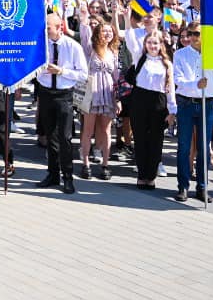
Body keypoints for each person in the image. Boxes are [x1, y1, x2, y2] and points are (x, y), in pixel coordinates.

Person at [34, 13, 89, 194]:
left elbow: (82, 74)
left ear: (60, 28)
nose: (46, 31)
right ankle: (53, 174)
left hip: (64, 94)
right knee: (50, 136)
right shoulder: (42, 45)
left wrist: (62, 71)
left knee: (65, 137)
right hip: (46, 92)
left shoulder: (72, 46)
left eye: (49, 27)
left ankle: (68, 176)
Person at [171, 26, 213, 203]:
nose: (192, 37)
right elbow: (177, 80)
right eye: (190, 34)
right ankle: (183, 186)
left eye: (196, 34)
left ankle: (202, 187)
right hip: (186, 102)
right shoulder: (180, 54)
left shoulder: (212, 53)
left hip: (205, 102)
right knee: (184, 146)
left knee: (203, 147)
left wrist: (208, 87)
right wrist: (195, 84)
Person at [127, 32, 174, 191]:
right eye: (149, 43)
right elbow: (130, 39)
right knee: (140, 138)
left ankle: (151, 176)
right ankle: (142, 175)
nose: (152, 46)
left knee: (156, 140)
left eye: (155, 43)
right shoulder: (140, 58)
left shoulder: (166, 63)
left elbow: (170, 88)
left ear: (161, 44)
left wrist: (172, 110)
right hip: (140, 99)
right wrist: (126, 19)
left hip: (158, 102)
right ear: (145, 44)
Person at [77, 18, 122, 181]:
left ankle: (105, 164)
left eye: (110, 31)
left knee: (106, 130)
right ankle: (86, 163)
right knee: (88, 130)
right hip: (92, 93)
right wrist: (83, 17)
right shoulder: (90, 49)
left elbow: (117, 77)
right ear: (98, 33)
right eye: (104, 30)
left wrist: (118, 99)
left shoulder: (114, 52)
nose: (108, 33)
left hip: (108, 94)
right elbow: (83, 33)